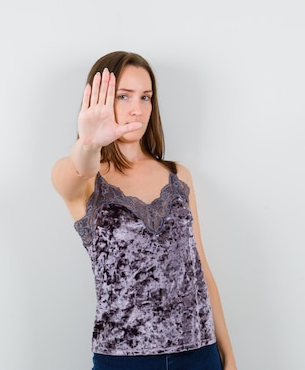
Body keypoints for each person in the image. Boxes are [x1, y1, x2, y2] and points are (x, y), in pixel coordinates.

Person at [51, 51, 237, 370]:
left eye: (145, 97)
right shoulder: (82, 178)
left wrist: (228, 356)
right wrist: (89, 143)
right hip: (122, 360)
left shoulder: (178, 176)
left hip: (198, 355)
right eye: (123, 96)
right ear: (101, 101)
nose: (137, 109)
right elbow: (77, 170)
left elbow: (200, 268)